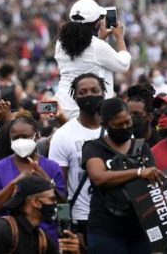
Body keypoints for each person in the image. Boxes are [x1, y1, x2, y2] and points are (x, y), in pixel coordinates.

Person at [82, 98, 165, 253]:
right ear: (105, 125)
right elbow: (99, 178)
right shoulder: (93, 147)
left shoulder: (142, 147)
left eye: (128, 122)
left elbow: (153, 180)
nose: (125, 127)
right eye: (118, 125)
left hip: (140, 229)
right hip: (106, 231)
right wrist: (138, 172)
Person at [0, 115, 66, 246]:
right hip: (12, 240)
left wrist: (47, 182)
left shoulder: (52, 167)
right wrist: (14, 183)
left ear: (37, 135)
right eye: (15, 138)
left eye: (25, 136)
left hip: (48, 240)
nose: (20, 141)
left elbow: (64, 208)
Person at [48, 73, 104, 239]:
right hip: (81, 219)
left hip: (115, 216)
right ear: (75, 96)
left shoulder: (115, 128)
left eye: (94, 90)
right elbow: (59, 190)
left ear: (103, 93)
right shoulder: (63, 135)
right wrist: (65, 225)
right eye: (83, 92)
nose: (89, 95)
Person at [54, 0, 130, 118]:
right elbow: (124, 64)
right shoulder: (97, 46)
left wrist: (100, 40)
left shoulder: (60, 43)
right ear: (96, 23)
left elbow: (85, 57)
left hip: (63, 106)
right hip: (89, 110)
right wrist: (119, 37)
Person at [0, 176, 80, 254]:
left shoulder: (41, 238)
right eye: (51, 199)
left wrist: (73, 252)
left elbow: (63, 204)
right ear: (35, 202)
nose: (55, 204)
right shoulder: (1, 231)